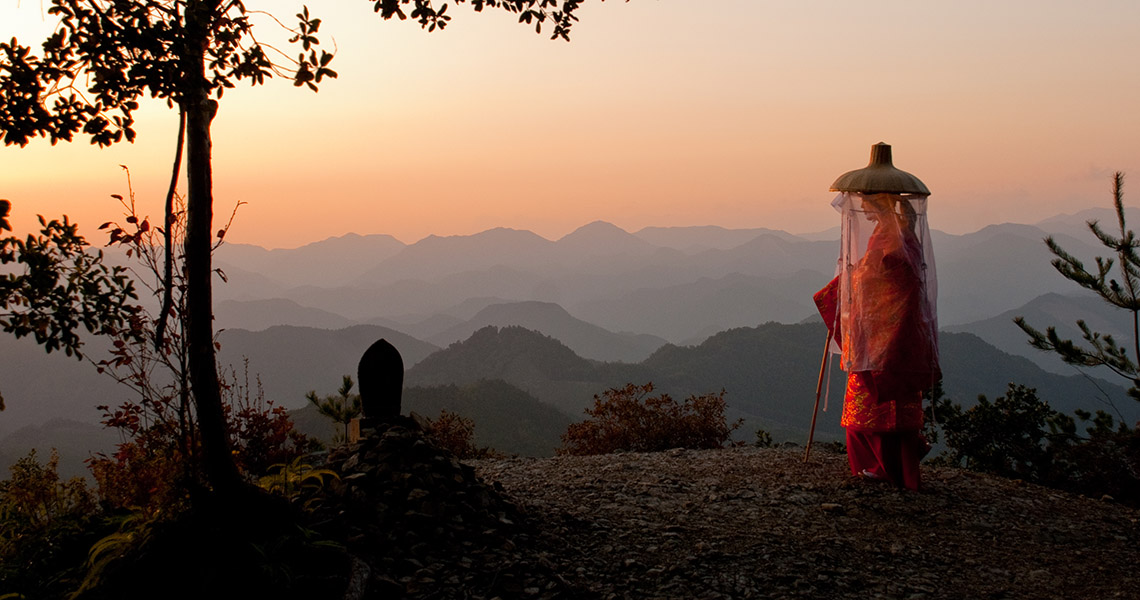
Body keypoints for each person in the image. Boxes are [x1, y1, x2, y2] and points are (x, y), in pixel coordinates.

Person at [815, 193, 940, 490]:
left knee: (876, 399)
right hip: (881, 331)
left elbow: (890, 280)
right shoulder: (895, 233)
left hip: (886, 334)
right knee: (876, 398)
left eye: (867, 204)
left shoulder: (896, 236)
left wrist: (853, 280)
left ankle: (883, 468)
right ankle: (886, 467)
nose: (865, 212)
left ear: (879, 201)